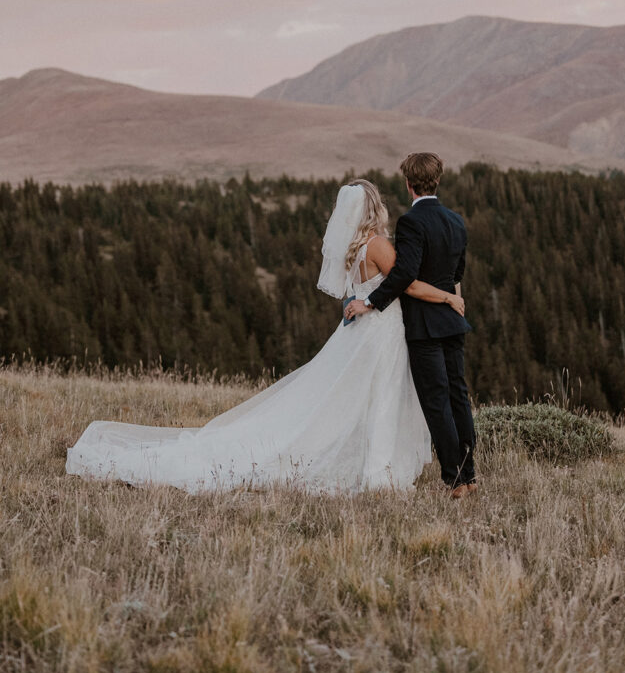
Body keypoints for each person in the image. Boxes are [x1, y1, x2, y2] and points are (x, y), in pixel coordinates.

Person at [66, 179, 463, 494]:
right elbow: (405, 283)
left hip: (363, 329)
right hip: (382, 331)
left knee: (350, 397)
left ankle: (375, 465)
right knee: (381, 395)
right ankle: (379, 470)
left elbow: (361, 290)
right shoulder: (378, 244)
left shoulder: (355, 248)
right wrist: (448, 295)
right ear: (376, 208)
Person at [345, 153, 477, 499]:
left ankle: (456, 480)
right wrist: (450, 299)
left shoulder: (410, 222)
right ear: (438, 180)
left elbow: (404, 275)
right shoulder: (456, 221)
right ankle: (470, 472)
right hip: (452, 321)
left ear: (408, 183)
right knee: (458, 397)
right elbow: (456, 275)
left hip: (423, 325)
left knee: (436, 402)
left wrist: (370, 302)